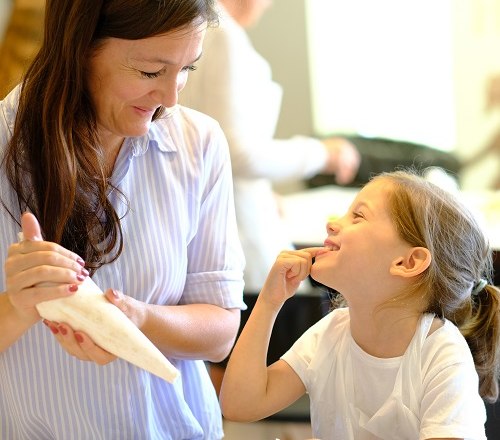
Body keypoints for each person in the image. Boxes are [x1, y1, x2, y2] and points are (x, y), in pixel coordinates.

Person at [0, 0, 246, 438]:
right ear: (79, 48)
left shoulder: (199, 143)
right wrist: (20, 307)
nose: (170, 97)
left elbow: (221, 331)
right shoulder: (5, 146)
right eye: (151, 72)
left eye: (188, 68)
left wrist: (138, 320)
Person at [220, 169, 500, 439]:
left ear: (407, 262)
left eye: (357, 216)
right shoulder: (330, 333)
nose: (332, 222)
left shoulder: (440, 354)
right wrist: (270, 302)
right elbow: (240, 404)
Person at [179, 0, 361, 292]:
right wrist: (323, 154)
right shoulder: (223, 35)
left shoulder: (200, 26)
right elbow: (237, 152)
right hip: (238, 225)